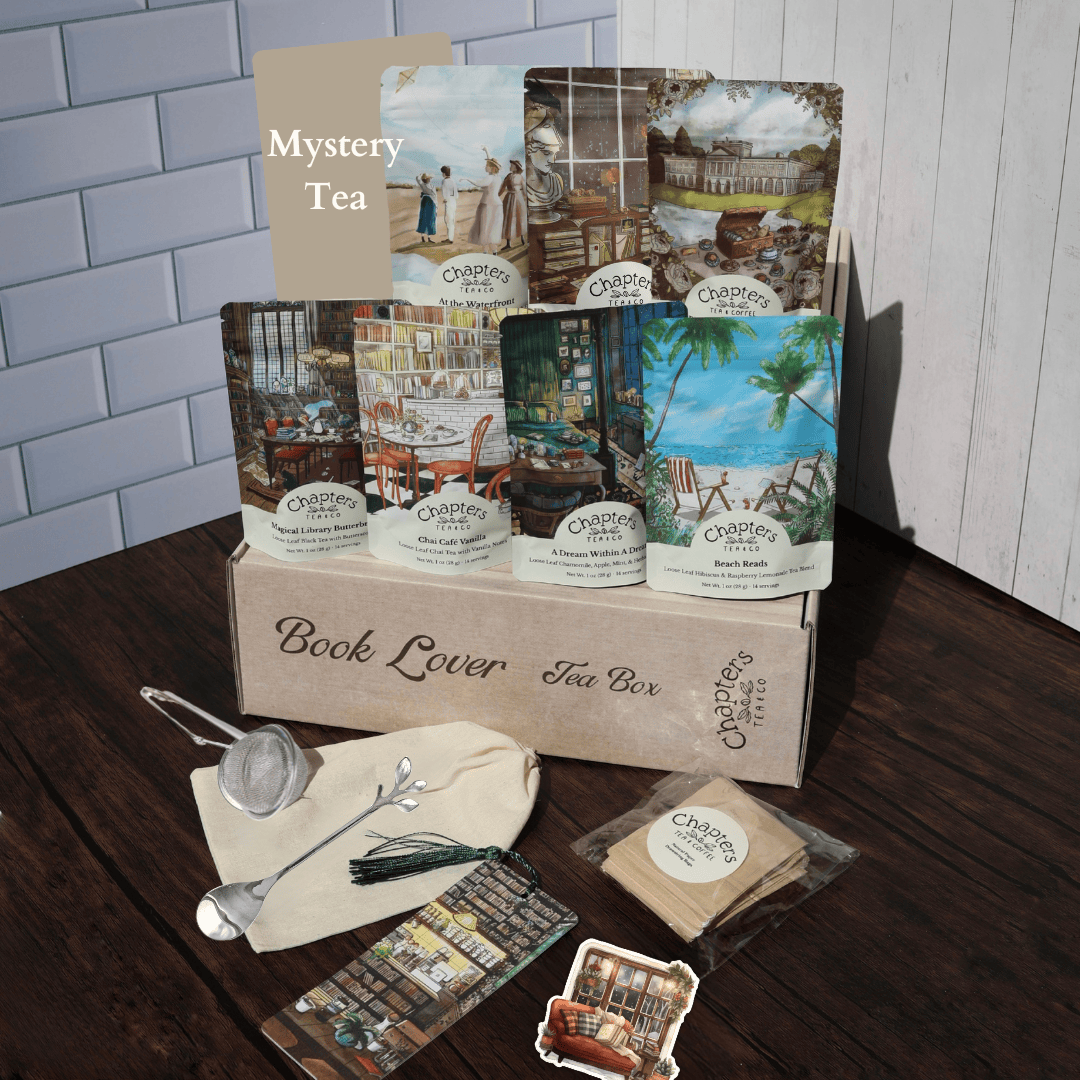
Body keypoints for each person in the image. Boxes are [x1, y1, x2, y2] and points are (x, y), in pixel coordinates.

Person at [465, 148, 504, 255]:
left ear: (492, 168)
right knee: (492, 229)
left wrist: (467, 179)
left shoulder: (490, 177)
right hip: (497, 205)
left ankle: (486, 252)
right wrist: (486, 150)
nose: (485, 167)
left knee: (484, 229)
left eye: (487, 166)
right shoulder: (497, 177)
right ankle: (494, 251)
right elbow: (490, 161)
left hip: (487, 205)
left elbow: (479, 184)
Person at [499, 159, 526, 250]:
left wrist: (526, 199)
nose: (510, 167)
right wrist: (496, 196)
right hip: (509, 199)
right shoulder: (508, 176)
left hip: (519, 199)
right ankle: (508, 243)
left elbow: (524, 190)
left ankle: (522, 237)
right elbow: (502, 188)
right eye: (510, 165)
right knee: (508, 219)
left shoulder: (520, 177)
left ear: (516, 167)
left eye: (512, 165)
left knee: (519, 217)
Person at [415, 173, 437, 242]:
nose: (430, 179)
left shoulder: (425, 185)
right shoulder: (426, 185)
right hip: (429, 202)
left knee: (427, 218)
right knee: (426, 218)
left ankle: (426, 237)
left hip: (427, 201)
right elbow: (417, 178)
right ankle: (425, 237)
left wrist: (420, 175)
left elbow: (417, 178)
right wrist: (436, 206)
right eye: (429, 178)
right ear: (426, 179)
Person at [439, 165, 458, 243]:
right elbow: (456, 194)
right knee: (452, 219)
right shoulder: (453, 181)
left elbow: (444, 192)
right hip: (453, 201)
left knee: (448, 220)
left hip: (448, 202)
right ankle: (450, 238)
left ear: (444, 173)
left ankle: (450, 239)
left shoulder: (444, 181)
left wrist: (445, 199)